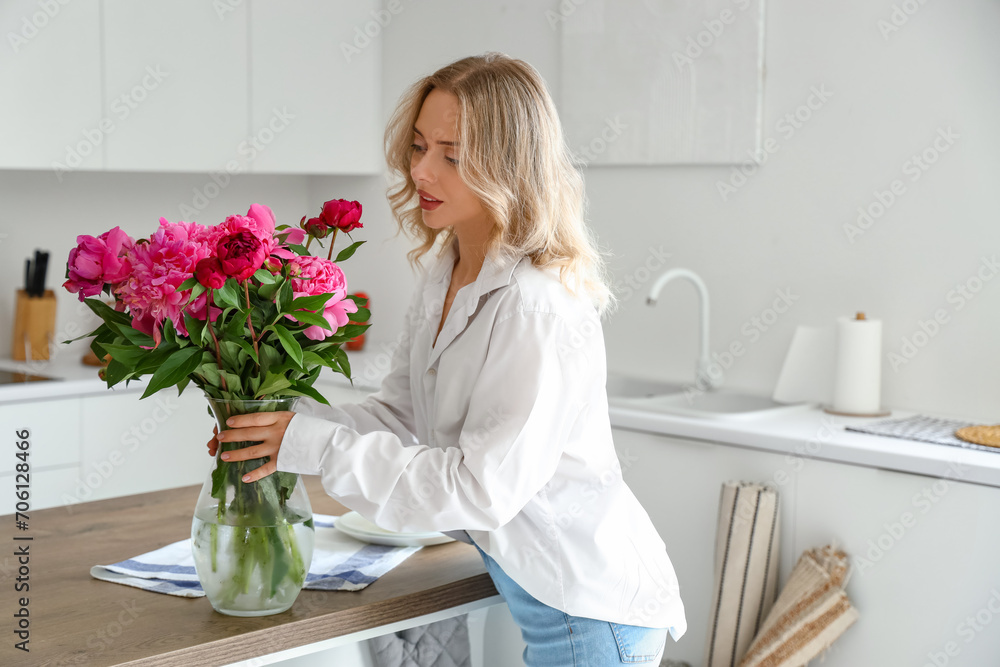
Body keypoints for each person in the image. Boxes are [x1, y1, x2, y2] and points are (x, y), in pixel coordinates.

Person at [208, 52, 686, 666]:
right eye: (417, 146)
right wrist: (281, 427)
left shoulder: (535, 306)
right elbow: (405, 415)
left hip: (589, 611)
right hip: (544, 595)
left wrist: (314, 447)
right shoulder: (447, 271)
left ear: (507, 168)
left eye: (451, 156)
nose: (421, 172)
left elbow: (481, 489)